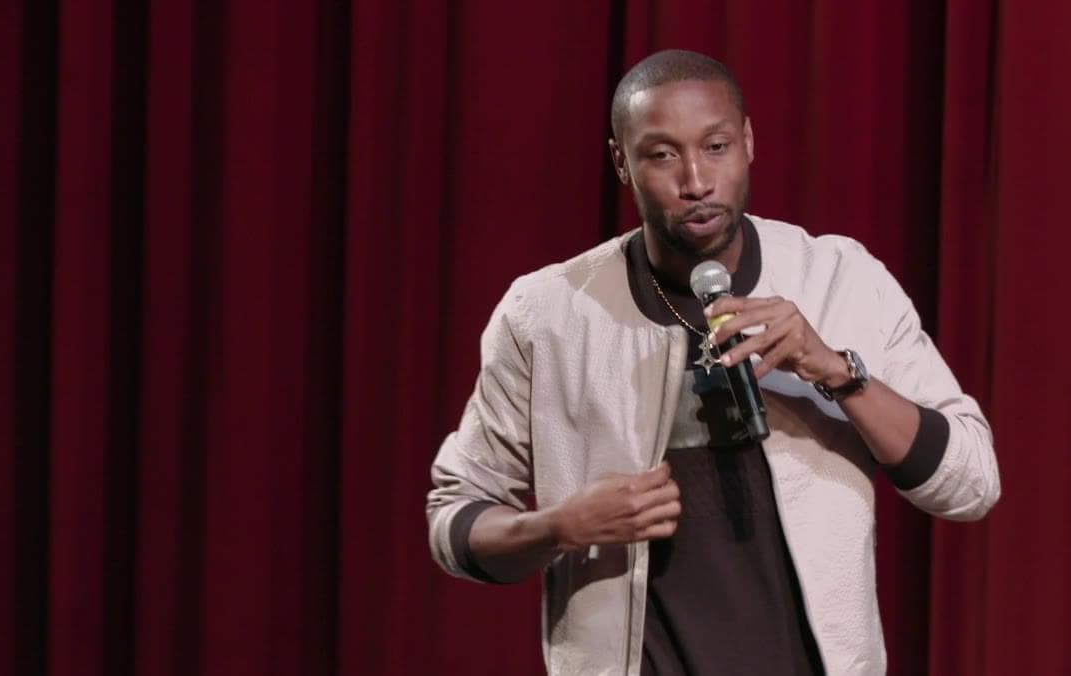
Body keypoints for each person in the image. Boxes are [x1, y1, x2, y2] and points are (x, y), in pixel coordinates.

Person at [424, 49, 1000, 676]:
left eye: (716, 147)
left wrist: (835, 370)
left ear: (748, 142)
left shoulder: (841, 279)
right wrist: (559, 526)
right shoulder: (548, 314)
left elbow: (970, 483)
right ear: (621, 162)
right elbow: (454, 520)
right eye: (662, 154)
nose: (696, 181)